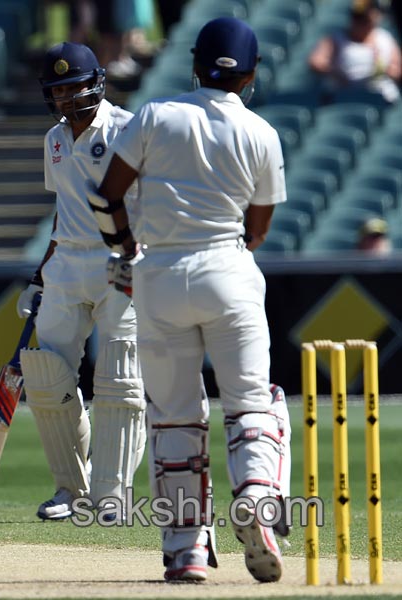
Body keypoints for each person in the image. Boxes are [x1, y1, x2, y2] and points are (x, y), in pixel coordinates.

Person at [88, 18, 288, 582]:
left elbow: (107, 198)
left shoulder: (155, 114)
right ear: (249, 76)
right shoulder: (261, 132)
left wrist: (127, 250)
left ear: (195, 64)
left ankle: (186, 550)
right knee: (251, 403)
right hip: (229, 268)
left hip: (159, 274)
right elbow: (259, 226)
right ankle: (253, 494)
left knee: (174, 416)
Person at [16, 42, 146, 523]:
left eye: (74, 88)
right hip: (66, 266)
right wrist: (40, 275)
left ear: (96, 84)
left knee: (121, 380)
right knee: (47, 377)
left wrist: (140, 257)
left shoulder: (127, 129)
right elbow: (63, 211)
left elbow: (150, 203)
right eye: (58, 91)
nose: (67, 99)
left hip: (120, 261)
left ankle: (113, 494)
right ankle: (71, 489)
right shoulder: (53, 139)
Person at [308, 0, 402, 104]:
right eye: (358, 18)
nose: (361, 23)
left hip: (380, 95)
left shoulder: (385, 38)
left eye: (365, 19)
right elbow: (315, 62)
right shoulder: (337, 39)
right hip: (343, 95)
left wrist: (384, 70)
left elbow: (398, 70)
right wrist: (336, 72)